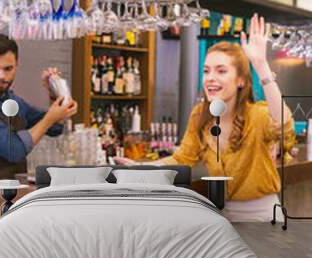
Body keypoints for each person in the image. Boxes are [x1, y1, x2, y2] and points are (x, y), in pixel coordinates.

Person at [114, 14, 296, 222]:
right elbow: (182, 159)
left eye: (221, 71)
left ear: (240, 81)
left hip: (264, 216)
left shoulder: (258, 115)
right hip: (224, 214)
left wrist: (260, 64)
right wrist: (142, 168)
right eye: (206, 71)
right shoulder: (201, 116)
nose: (210, 78)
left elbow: (284, 123)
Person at [0, 34, 78, 186]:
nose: (1, 76)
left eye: (8, 68)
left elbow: (55, 128)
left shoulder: (13, 100)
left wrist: (53, 92)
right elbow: (13, 151)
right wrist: (50, 118)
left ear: (17, 64)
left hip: (17, 190)